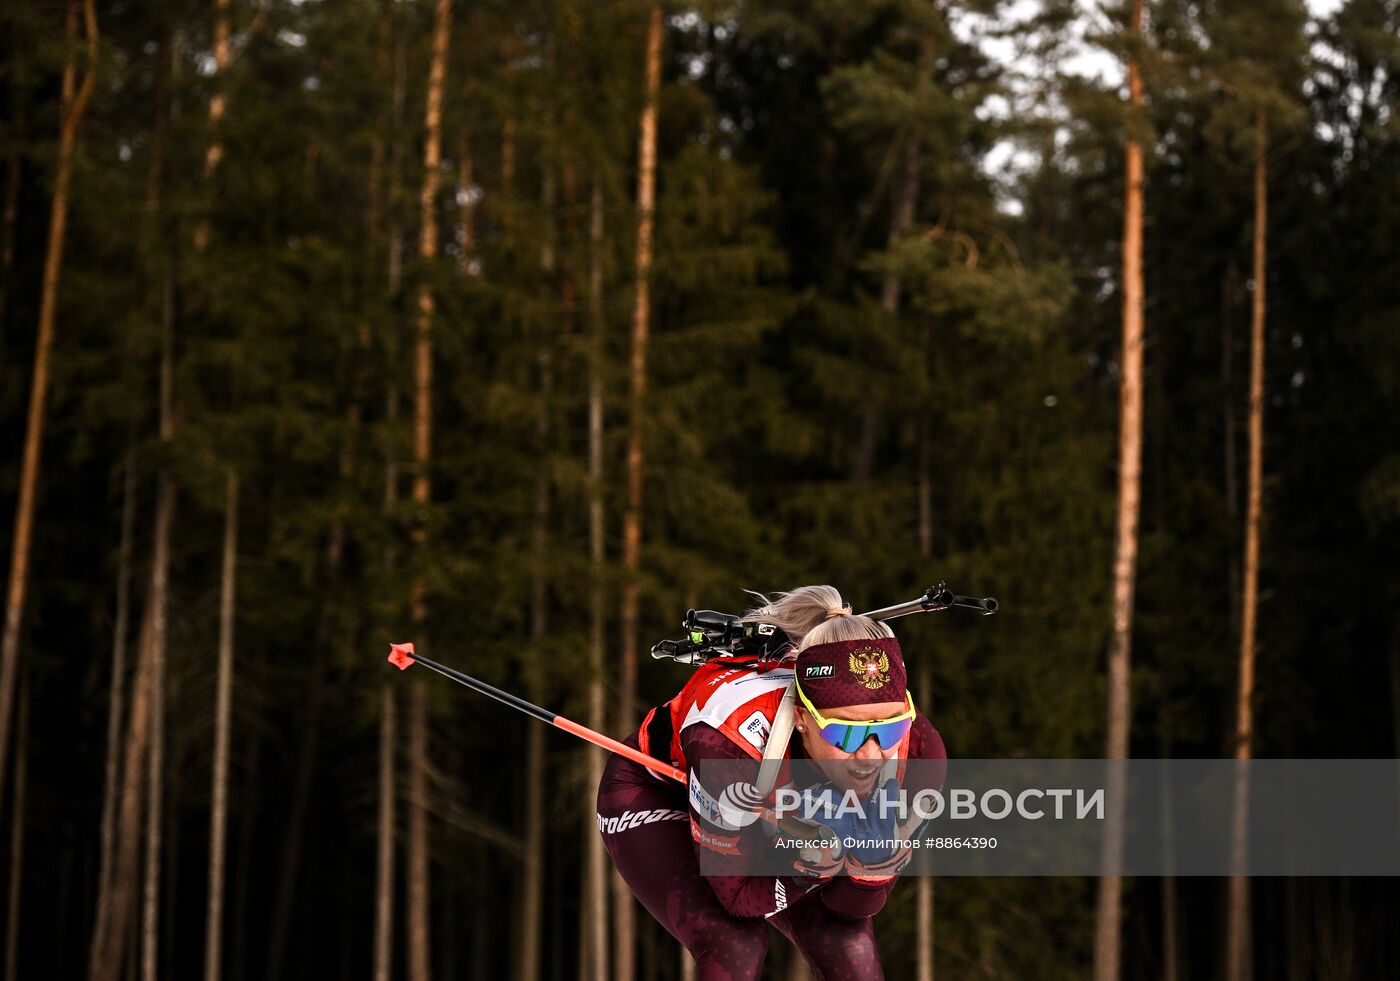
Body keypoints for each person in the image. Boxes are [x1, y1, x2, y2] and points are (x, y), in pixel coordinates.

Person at [596, 585, 947, 980]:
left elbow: (850, 911)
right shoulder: (730, 740)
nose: (870, 755)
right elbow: (738, 898)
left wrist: (872, 871)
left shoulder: (918, 752)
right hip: (661, 792)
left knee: (850, 948)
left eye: (888, 729)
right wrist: (809, 871)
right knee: (736, 943)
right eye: (846, 734)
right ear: (802, 718)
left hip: (770, 810)